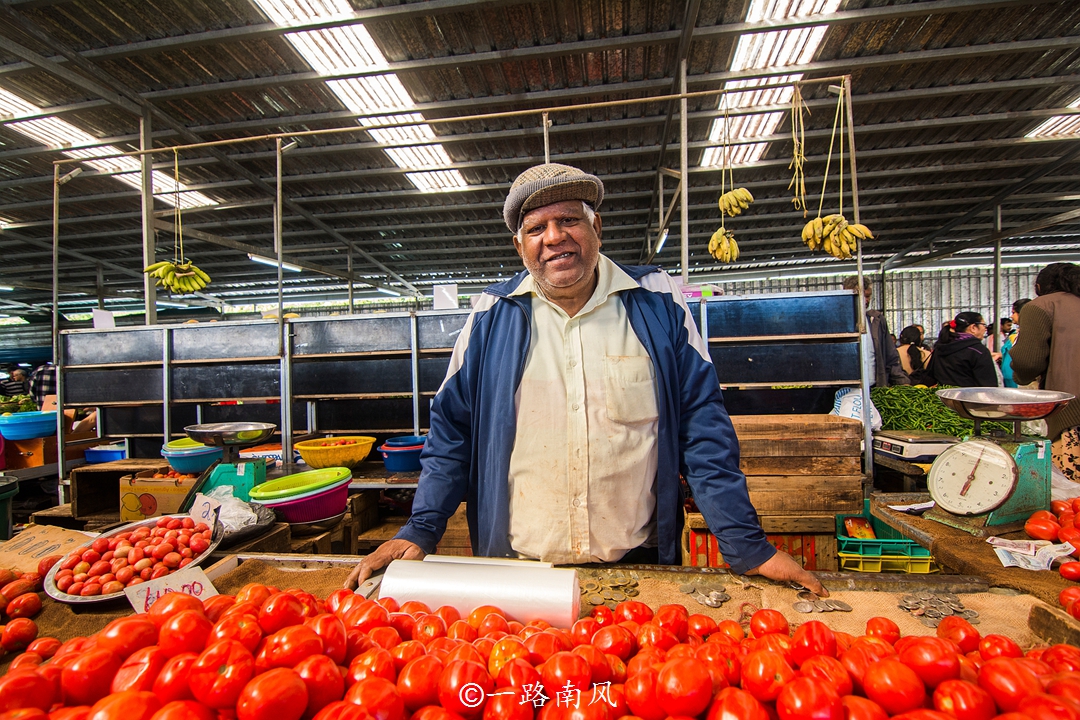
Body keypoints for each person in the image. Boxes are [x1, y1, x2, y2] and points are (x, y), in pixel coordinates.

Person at [346, 163, 824, 595]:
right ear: (520, 246)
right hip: (517, 571)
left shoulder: (656, 302)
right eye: (536, 228)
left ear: (596, 227)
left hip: (638, 567)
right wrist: (421, 528)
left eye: (569, 220)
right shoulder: (491, 316)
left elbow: (703, 428)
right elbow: (452, 433)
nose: (554, 237)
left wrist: (746, 544)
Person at [1011, 263, 1080, 483]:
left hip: (1072, 412)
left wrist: (1021, 377)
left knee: (1072, 493)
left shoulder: (1042, 306)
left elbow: (1027, 361)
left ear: (1040, 287)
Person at [841, 276, 910, 387]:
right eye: (861, 296)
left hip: (874, 386)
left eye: (868, 296)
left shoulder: (877, 319)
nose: (866, 300)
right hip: (845, 387)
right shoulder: (839, 321)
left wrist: (902, 382)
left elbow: (891, 356)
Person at [927, 312, 1000, 388]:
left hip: (942, 394)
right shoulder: (978, 351)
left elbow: (930, 376)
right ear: (973, 327)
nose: (985, 329)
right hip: (969, 395)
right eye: (984, 325)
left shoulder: (940, 348)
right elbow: (988, 386)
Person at [999, 299, 1029, 388]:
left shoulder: (1028, 334)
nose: (1011, 316)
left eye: (1014, 312)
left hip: (1019, 382)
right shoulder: (1016, 334)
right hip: (1009, 379)